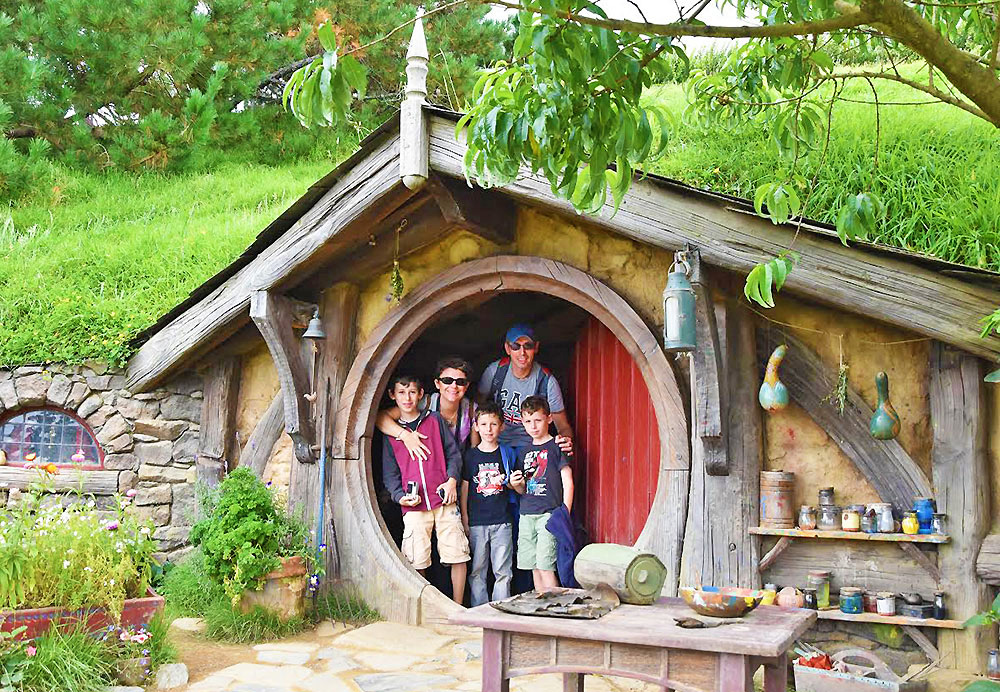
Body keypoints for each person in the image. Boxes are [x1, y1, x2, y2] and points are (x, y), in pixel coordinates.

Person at [381, 373, 469, 604]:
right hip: (414, 505)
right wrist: (399, 497)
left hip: (443, 500)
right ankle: (425, 607)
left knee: (457, 553)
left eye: (412, 392)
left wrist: (451, 480)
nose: (407, 398)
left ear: (421, 394)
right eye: (401, 392)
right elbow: (389, 474)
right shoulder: (391, 434)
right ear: (393, 395)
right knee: (417, 558)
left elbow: (454, 454)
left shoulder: (434, 420)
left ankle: (458, 605)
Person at [509, 396, 574, 590]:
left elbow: (567, 480)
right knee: (533, 566)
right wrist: (515, 484)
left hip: (549, 513)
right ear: (522, 422)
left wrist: (564, 512)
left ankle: (553, 608)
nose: (533, 426)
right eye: (528, 421)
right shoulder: (523, 451)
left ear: (549, 419)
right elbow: (522, 489)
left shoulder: (556, 446)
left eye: (538, 420)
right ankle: (540, 604)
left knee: (546, 565)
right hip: (526, 513)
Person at [478, 324, 573, 454]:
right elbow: (476, 411)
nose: (522, 352)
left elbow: (562, 426)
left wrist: (566, 440)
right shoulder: (495, 372)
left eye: (528, 346)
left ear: (536, 347)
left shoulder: (546, 381)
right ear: (507, 348)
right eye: (516, 346)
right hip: (496, 444)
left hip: (532, 447)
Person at [461, 402, 516, 606]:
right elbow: (465, 488)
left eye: (493, 424)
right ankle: (480, 610)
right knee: (477, 570)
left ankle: (500, 612)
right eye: (483, 424)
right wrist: (465, 518)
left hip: (502, 520)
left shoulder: (507, 454)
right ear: (475, 426)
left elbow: (514, 484)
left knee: (503, 570)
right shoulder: (471, 455)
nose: (488, 429)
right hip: (477, 521)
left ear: (502, 426)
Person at [377, 357, 478, 461]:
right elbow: (381, 417)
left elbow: (479, 448)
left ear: (466, 386)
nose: (454, 386)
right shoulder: (426, 403)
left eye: (460, 382)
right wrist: (405, 436)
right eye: (447, 380)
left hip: (456, 468)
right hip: (427, 464)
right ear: (437, 384)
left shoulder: (471, 410)